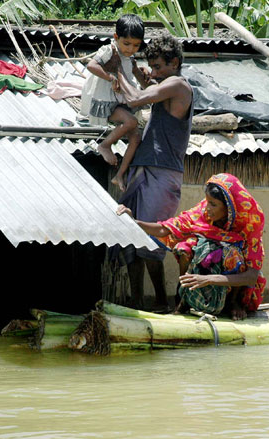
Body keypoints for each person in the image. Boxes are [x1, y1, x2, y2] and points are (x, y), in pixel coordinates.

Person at [114, 33, 194, 313]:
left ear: (174, 63)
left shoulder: (177, 85)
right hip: (144, 168)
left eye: (159, 66)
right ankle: (136, 303)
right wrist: (135, 69)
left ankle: (160, 303)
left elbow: (136, 99)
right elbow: (146, 87)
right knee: (131, 241)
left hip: (163, 173)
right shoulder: (166, 83)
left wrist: (117, 71)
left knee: (151, 243)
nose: (155, 72)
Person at [117, 173, 265, 320]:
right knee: (185, 247)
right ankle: (183, 299)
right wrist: (135, 223)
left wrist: (209, 279)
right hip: (203, 273)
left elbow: (251, 277)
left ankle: (234, 302)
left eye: (213, 204)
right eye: (207, 202)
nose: (207, 208)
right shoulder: (203, 212)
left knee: (233, 254)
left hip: (229, 282)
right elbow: (165, 228)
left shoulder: (250, 224)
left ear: (229, 207)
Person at [79, 14, 149, 191]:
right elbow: (91, 66)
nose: (130, 49)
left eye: (136, 45)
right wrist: (110, 77)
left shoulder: (131, 59)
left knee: (136, 138)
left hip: (121, 101)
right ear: (116, 37)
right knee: (131, 122)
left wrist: (147, 74)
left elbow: (141, 81)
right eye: (126, 44)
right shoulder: (109, 51)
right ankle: (105, 145)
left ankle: (119, 175)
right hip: (106, 101)